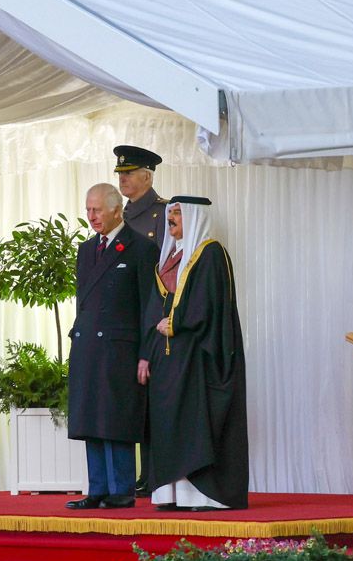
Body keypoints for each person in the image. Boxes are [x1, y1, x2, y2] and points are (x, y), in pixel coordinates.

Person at [145, 196, 249, 511]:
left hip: (198, 357)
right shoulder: (170, 257)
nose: (171, 219)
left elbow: (209, 305)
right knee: (170, 422)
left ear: (194, 217)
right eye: (170, 214)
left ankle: (201, 495)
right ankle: (171, 493)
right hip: (169, 359)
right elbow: (154, 304)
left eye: (177, 214)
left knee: (194, 423)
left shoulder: (210, 254)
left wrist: (175, 323)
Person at [66, 183, 158, 510]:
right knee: (91, 417)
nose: (91, 216)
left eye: (97, 210)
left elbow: (150, 306)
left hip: (121, 348)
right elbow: (83, 303)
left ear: (116, 210)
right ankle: (98, 490)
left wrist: (146, 354)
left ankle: (122, 490)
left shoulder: (141, 249)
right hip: (88, 345)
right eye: (88, 209)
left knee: (116, 418)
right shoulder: (86, 249)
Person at [113, 144, 167, 496]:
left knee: (152, 400)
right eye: (120, 173)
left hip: (153, 316)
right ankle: (136, 474)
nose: (123, 179)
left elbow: (165, 276)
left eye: (129, 173)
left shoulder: (162, 215)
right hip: (124, 320)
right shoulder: (121, 216)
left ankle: (154, 473)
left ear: (147, 176)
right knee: (128, 399)